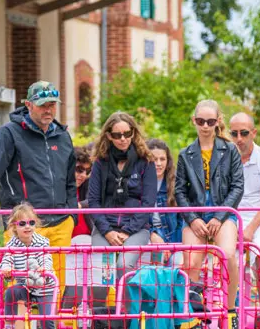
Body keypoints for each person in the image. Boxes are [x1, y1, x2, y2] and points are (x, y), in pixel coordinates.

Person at [0, 81, 76, 288]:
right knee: (21, 290)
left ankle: (49, 322)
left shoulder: (63, 136)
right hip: (23, 224)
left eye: (52, 104)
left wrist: (72, 213)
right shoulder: (10, 133)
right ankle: (20, 322)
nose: (48, 109)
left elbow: (70, 179)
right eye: (42, 105)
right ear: (28, 105)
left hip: (60, 224)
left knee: (55, 287)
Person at [175, 99, 245, 329]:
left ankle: (231, 309)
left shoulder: (230, 150)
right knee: (191, 262)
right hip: (196, 214)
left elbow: (237, 187)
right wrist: (193, 219)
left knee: (227, 255)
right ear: (194, 121)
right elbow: (179, 191)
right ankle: (193, 312)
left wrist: (219, 216)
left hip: (222, 213)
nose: (205, 126)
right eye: (201, 121)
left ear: (218, 122)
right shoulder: (186, 154)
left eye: (211, 121)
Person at [87, 112, 157, 283]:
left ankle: (125, 309)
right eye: (118, 135)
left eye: (127, 133)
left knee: (123, 265)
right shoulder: (100, 162)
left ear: (134, 133)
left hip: (136, 227)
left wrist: (127, 230)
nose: (123, 139)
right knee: (100, 267)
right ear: (109, 136)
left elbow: (148, 202)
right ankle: (101, 308)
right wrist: (108, 231)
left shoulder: (146, 161)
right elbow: (93, 201)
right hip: (105, 227)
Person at [0, 203, 58, 329]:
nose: (27, 227)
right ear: (14, 226)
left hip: (44, 287)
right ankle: (10, 326)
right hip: (25, 287)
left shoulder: (42, 242)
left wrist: (45, 268)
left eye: (31, 223)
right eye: (22, 223)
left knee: (47, 319)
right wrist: (6, 270)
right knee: (11, 292)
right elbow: (7, 260)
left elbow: (46, 257)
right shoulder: (11, 244)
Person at [228, 112, 260, 263]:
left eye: (244, 133)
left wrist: (250, 228)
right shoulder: (224, 159)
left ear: (254, 133)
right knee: (229, 258)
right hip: (234, 215)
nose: (239, 138)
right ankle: (234, 287)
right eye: (234, 133)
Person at [147, 138, 182, 265]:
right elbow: (137, 218)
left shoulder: (175, 183)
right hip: (148, 236)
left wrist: (171, 246)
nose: (158, 163)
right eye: (153, 159)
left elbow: (181, 221)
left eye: (162, 159)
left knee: (177, 263)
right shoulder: (137, 184)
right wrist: (152, 235)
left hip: (172, 238)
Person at [71, 145, 94, 244]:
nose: (83, 175)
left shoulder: (88, 183)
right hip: (65, 242)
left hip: (89, 241)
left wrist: (80, 205)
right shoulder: (57, 188)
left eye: (87, 171)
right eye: (79, 170)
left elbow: (94, 199)